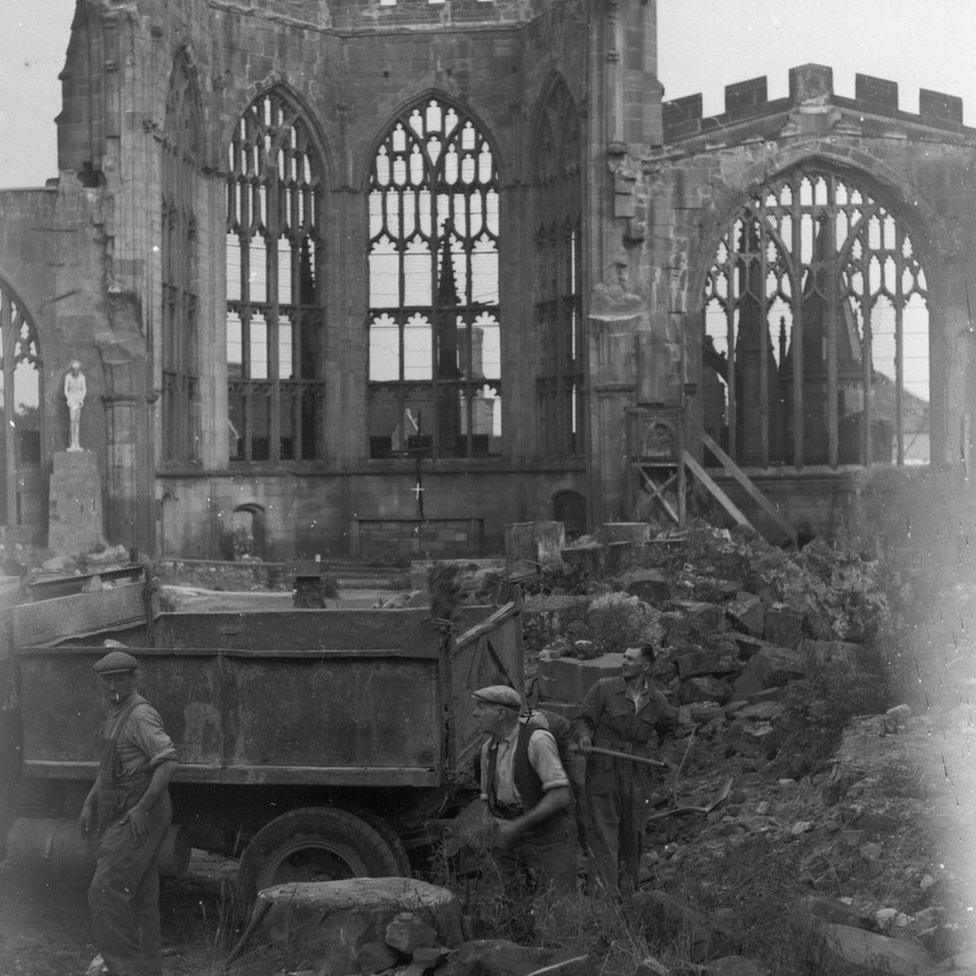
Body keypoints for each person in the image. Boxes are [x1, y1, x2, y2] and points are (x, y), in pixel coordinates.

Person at [79, 647, 178, 976]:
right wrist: (90, 800)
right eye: (106, 681)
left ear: (135, 678)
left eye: (118, 679)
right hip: (124, 808)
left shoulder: (139, 714)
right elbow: (109, 768)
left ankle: (126, 971)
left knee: (105, 891)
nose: (111, 687)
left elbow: (167, 762)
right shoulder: (114, 711)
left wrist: (141, 809)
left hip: (140, 813)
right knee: (140, 898)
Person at [575, 642, 675, 894]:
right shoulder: (604, 689)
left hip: (638, 772)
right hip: (604, 768)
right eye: (624, 657)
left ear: (646, 665)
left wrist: (666, 756)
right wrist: (585, 738)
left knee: (634, 833)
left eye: (631, 659)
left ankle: (628, 895)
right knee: (602, 832)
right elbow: (584, 721)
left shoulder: (657, 700)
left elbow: (670, 732)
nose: (624, 662)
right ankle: (602, 898)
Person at [472, 685, 577, 909]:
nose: (475, 713)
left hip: (550, 838)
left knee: (560, 910)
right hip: (515, 839)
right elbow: (486, 799)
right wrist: (490, 822)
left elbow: (560, 795)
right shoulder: (488, 750)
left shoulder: (537, 740)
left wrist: (517, 825)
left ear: (500, 713)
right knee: (515, 909)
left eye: (481, 707)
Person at [64, 360, 87, 451]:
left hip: (78, 400)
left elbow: (83, 389)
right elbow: (66, 389)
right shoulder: (68, 377)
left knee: (77, 421)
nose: (75, 371)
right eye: (74, 369)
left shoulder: (82, 378)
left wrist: (81, 399)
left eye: (77, 369)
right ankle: (72, 443)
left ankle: (77, 443)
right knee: (72, 420)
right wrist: (69, 399)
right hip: (72, 399)